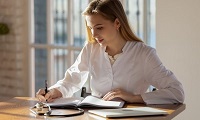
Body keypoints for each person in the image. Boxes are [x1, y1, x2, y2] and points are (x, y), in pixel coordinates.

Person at [36, 0, 184, 104]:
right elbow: (71, 81)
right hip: (96, 115)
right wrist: (54, 91)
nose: (93, 34)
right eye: (90, 28)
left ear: (117, 23)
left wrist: (134, 97)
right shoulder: (90, 49)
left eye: (99, 27)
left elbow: (176, 93)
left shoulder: (144, 54)